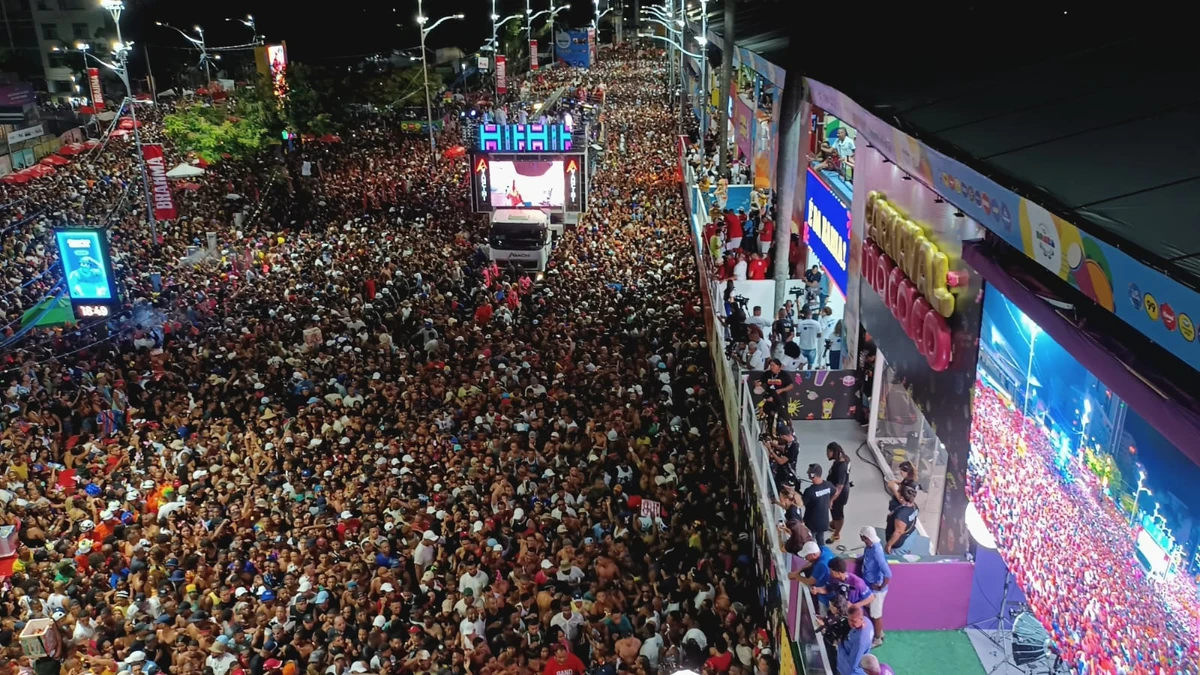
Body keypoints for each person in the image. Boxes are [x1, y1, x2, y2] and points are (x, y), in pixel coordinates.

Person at [857, 527, 892, 647]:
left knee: (876, 615)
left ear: (864, 537)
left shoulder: (876, 550)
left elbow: (888, 573)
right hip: (869, 586)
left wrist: (881, 586)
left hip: (876, 590)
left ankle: (877, 639)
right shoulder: (869, 546)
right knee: (871, 610)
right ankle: (879, 632)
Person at [836, 605, 874, 675]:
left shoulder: (860, 641)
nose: (851, 623)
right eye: (849, 619)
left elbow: (852, 664)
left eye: (854, 621)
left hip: (848, 672)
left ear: (861, 619)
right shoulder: (867, 621)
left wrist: (839, 645)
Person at [802, 463, 834, 547]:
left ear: (813, 475)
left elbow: (801, 503)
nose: (807, 473)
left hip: (811, 523)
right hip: (824, 522)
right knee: (821, 541)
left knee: (809, 543)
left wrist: (793, 494)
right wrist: (831, 501)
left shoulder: (809, 491)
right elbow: (836, 491)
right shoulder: (828, 485)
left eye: (809, 473)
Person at [826, 442, 851, 544]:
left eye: (828, 452)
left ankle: (836, 534)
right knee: (834, 512)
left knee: (838, 513)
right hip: (837, 489)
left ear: (833, 451)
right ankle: (833, 524)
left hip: (839, 495)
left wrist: (831, 500)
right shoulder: (844, 458)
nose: (827, 454)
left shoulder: (841, 467)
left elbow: (839, 488)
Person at [885, 484, 920, 555]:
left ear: (901, 497)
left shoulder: (901, 515)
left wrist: (889, 545)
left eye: (898, 492)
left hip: (900, 542)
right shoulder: (914, 505)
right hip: (910, 535)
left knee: (893, 561)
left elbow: (898, 532)